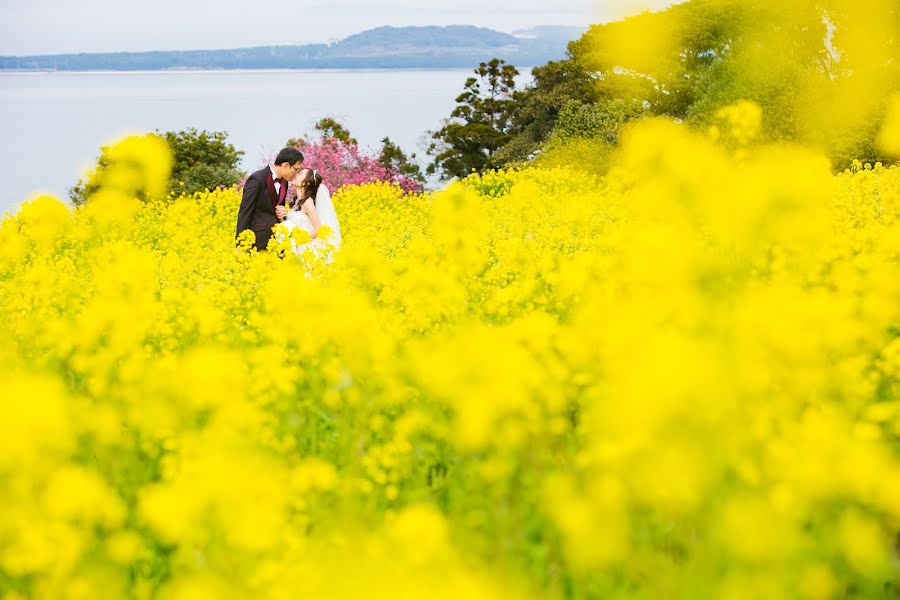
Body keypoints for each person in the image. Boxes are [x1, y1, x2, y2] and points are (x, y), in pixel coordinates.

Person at [235, 148, 304, 251]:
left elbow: (277, 209)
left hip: (277, 242)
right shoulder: (257, 179)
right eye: (296, 169)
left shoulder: (284, 182)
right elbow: (244, 213)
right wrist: (240, 245)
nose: (296, 173)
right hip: (257, 241)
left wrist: (283, 214)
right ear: (286, 165)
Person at [280, 168, 342, 259]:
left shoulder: (307, 202)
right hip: (296, 247)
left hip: (305, 248)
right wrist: (282, 217)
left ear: (306, 183)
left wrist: (297, 240)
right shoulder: (297, 201)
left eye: (300, 174)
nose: (295, 175)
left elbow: (318, 229)